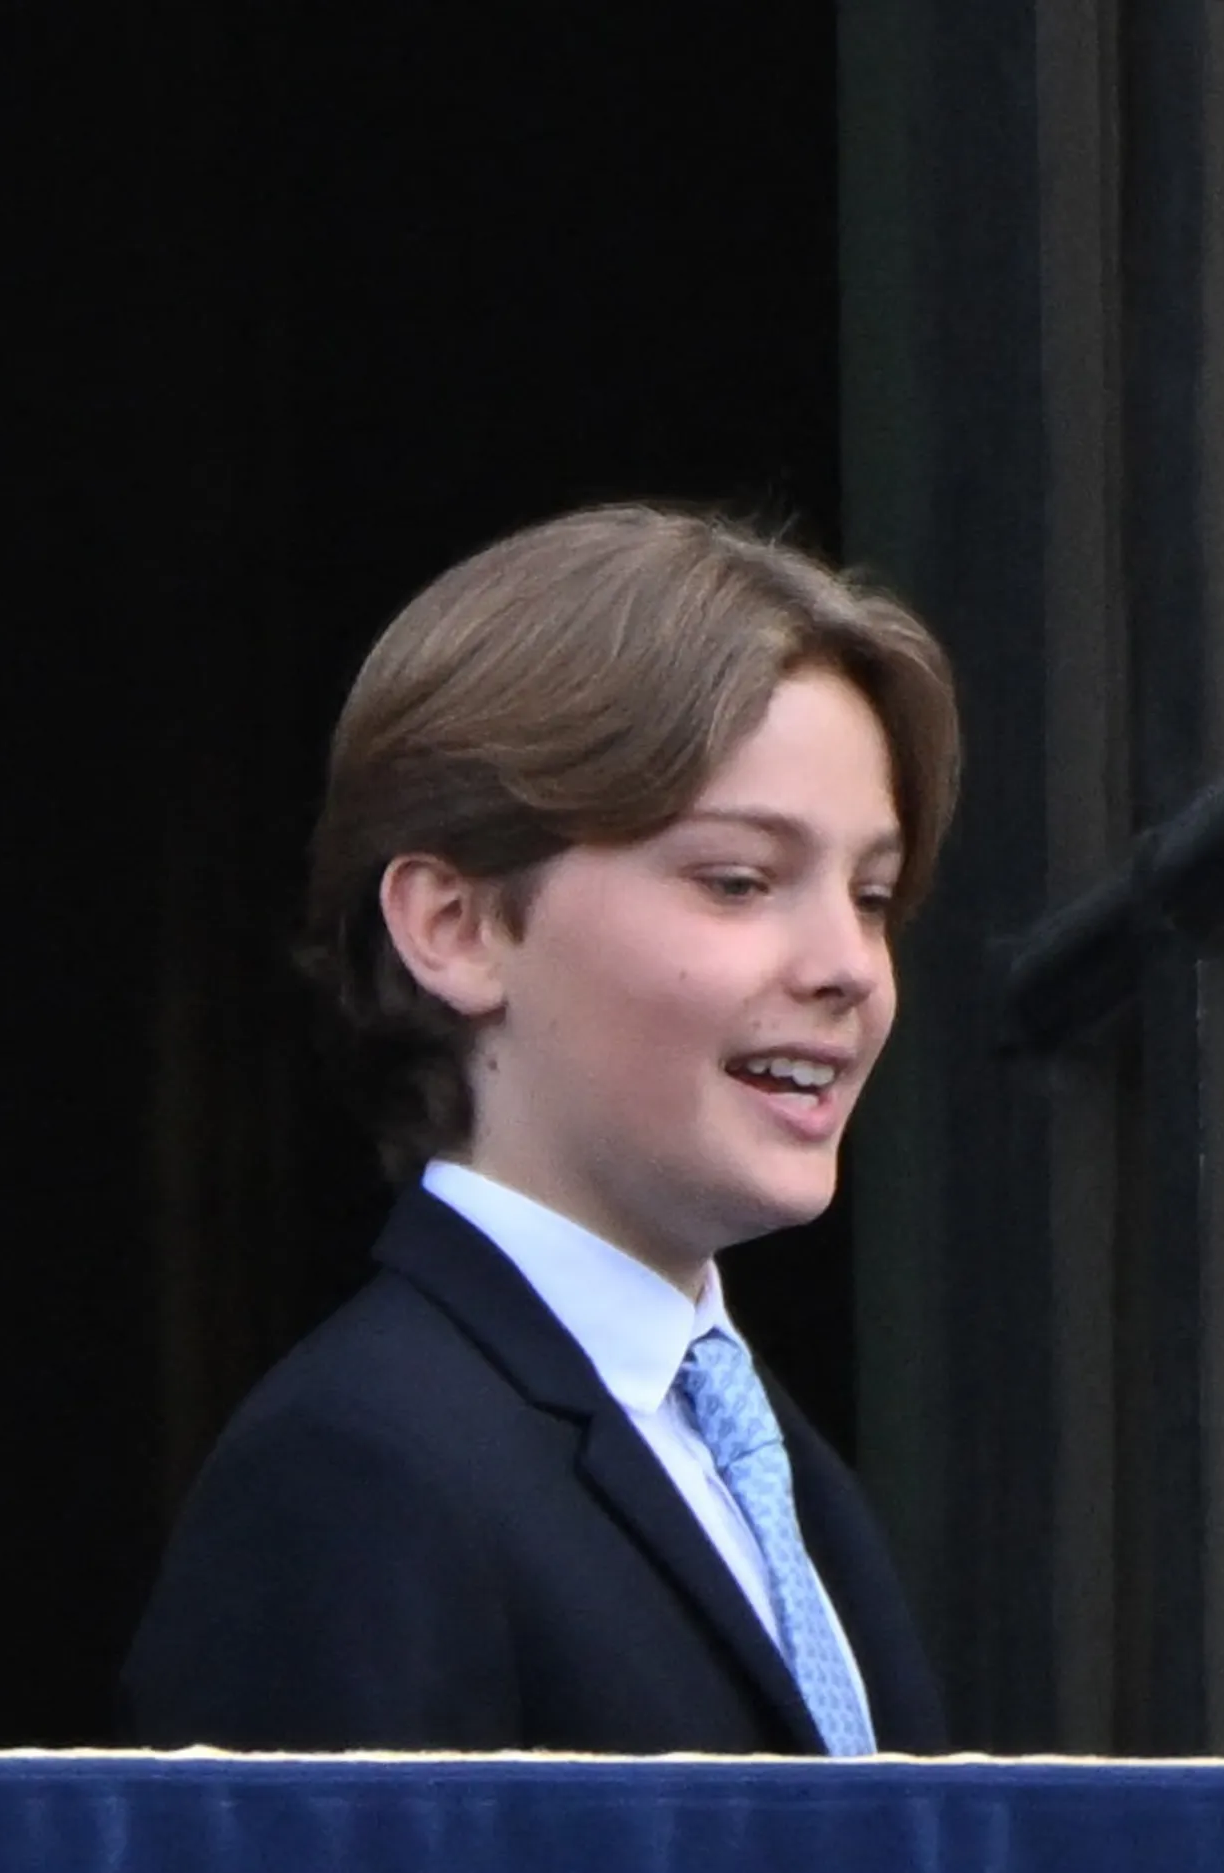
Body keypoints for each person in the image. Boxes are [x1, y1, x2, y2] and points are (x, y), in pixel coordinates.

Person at [118, 506, 957, 1754]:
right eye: (737, 880)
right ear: (454, 927)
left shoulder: (765, 1459)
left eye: (873, 894)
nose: (849, 964)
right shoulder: (355, 1473)